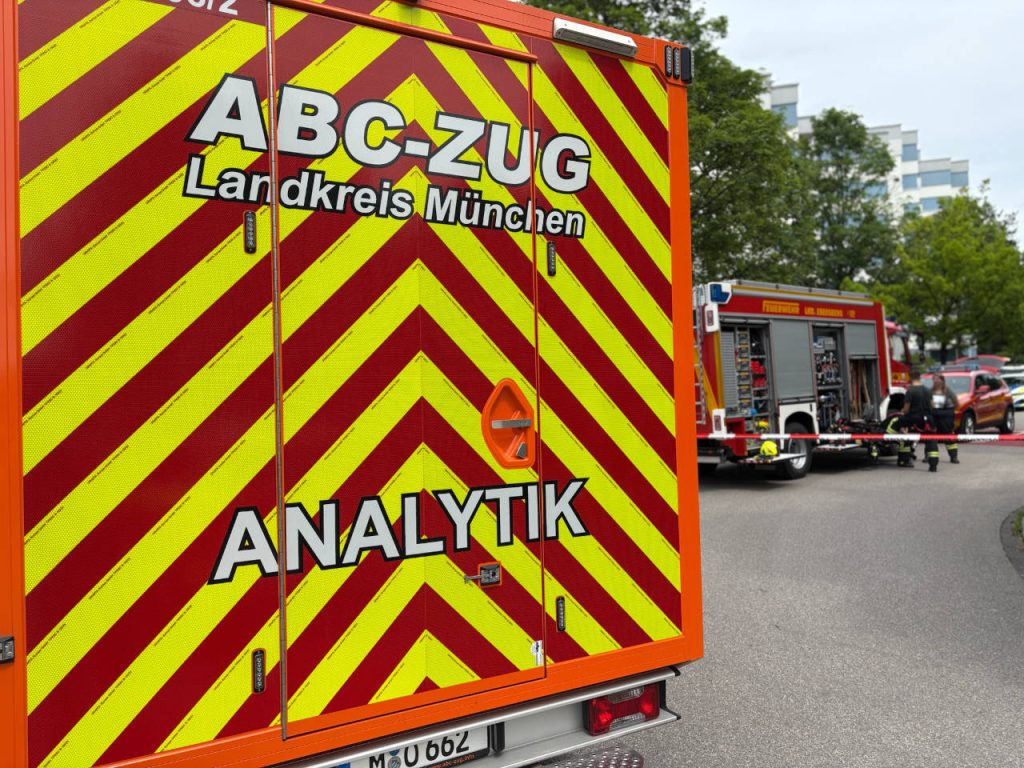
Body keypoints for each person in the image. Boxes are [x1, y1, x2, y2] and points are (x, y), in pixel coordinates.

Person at [898, 369, 939, 472]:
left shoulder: (910, 391)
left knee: (906, 437)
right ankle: (933, 465)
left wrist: (902, 411)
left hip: (914, 420)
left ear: (910, 378)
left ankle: (905, 460)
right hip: (928, 420)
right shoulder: (927, 390)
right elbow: (933, 406)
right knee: (931, 441)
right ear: (920, 377)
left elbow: (906, 409)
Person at [930, 373, 959, 464]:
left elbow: (956, 403)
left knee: (949, 436)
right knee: (931, 436)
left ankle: (953, 456)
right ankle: (929, 456)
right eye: (934, 379)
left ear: (942, 380)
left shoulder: (948, 391)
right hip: (934, 415)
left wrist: (949, 410)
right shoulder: (930, 391)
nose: (935, 381)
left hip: (946, 416)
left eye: (937, 379)